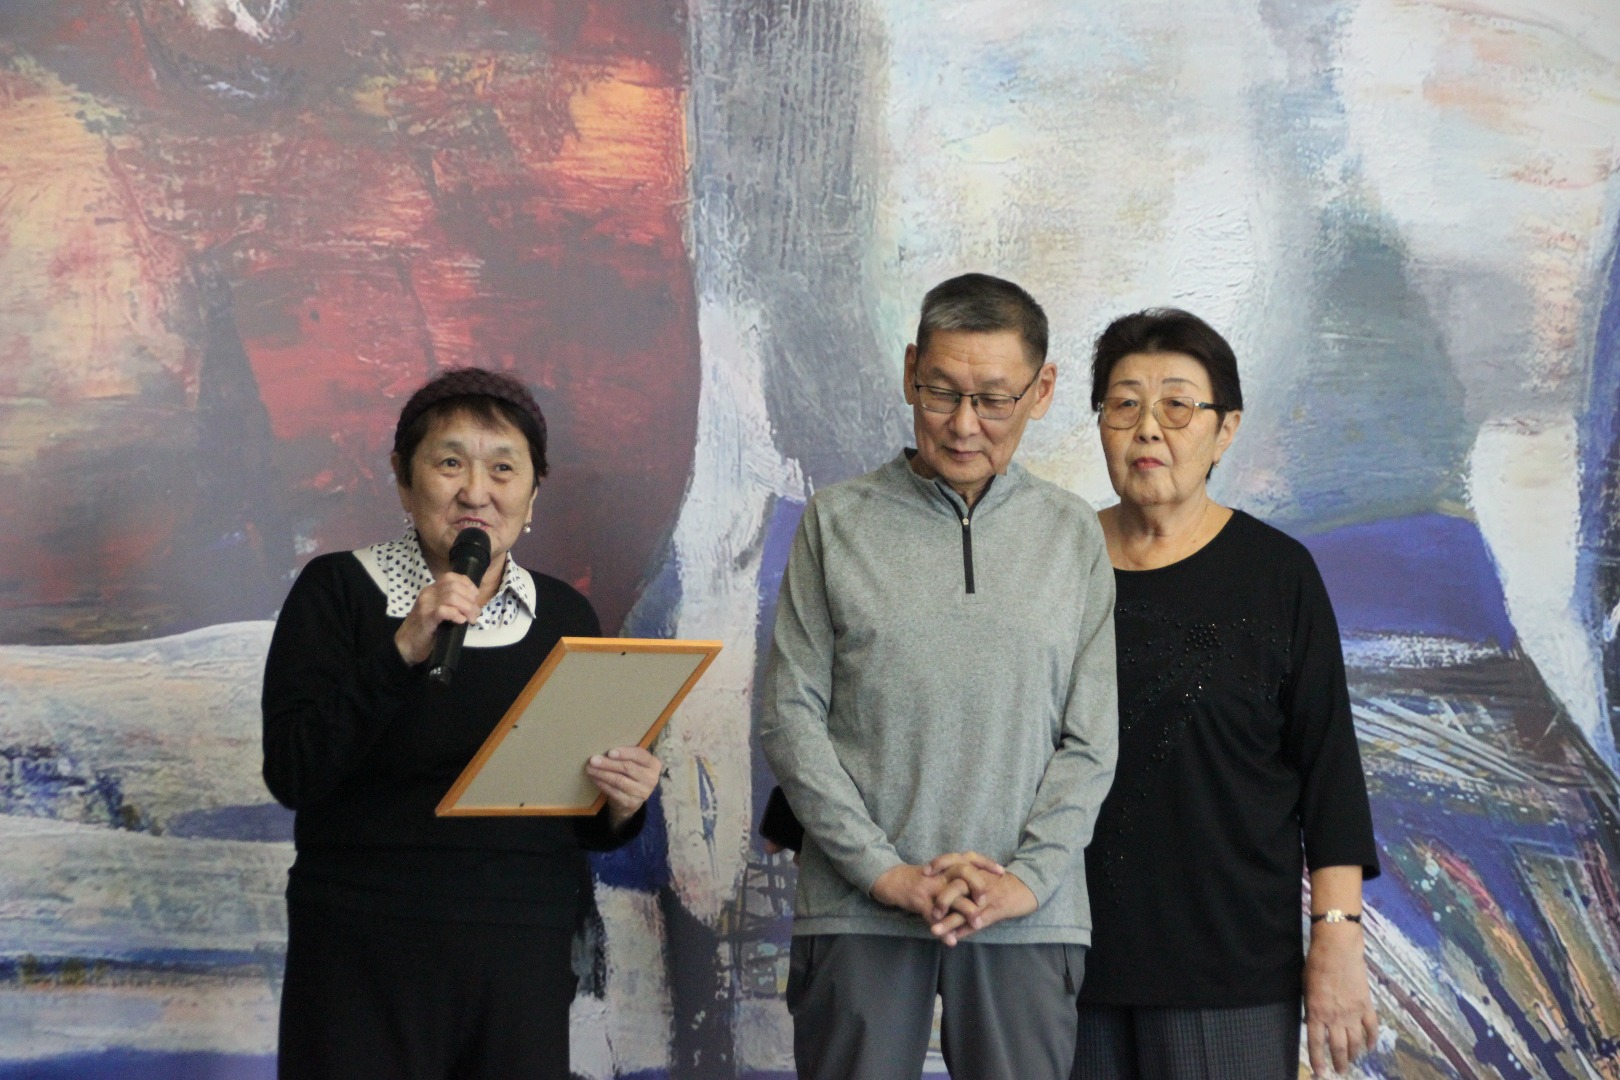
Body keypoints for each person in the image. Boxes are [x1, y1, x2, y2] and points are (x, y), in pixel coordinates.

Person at [760, 273, 1119, 1080]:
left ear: (1042, 391)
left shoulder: (1071, 535)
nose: (962, 424)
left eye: (992, 400)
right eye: (940, 392)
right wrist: (884, 873)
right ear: (909, 371)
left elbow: (1092, 739)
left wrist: (1026, 881)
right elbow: (789, 716)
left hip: (1027, 916)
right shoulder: (836, 522)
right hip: (857, 909)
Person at [261, 367, 663, 1080]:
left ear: (533, 492)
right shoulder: (337, 591)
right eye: (450, 464)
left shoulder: (564, 615)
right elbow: (294, 771)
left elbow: (580, 817)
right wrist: (401, 651)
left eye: (503, 469)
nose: (476, 492)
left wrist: (622, 803)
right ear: (403, 479)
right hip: (361, 943)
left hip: (520, 949)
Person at [1071, 309, 1380, 1079]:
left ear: (1225, 429)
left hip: (1229, 968)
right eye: (1124, 404)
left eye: (1177, 405)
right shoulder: (1056, 561)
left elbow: (1331, 777)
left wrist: (1336, 936)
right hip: (1061, 960)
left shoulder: (1277, 575)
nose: (1148, 428)